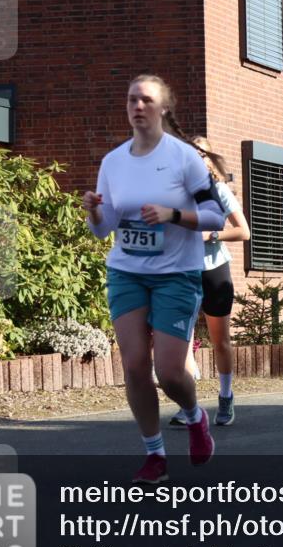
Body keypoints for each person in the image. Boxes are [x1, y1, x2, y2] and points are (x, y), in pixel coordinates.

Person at [83, 74, 224, 484]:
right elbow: (102, 228)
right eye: (132, 100)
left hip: (176, 274)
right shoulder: (113, 162)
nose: (137, 106)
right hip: (127, 271)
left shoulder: (184, 158)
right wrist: (93, 209)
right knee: (134, 365)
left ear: (164, 108)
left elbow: (215, 217)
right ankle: (155, 453)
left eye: (146, 100)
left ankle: (196, 418)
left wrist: (173, 215)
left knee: (169, 371)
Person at [169, 137, 250, 427]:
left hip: (214, 269)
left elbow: (244, 232)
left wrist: (211, 235)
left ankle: (225, 397)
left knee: (221, 341)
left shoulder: (219, 191)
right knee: (182, 342)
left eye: (201, 155)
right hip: (183, 272)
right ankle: (189, 405)